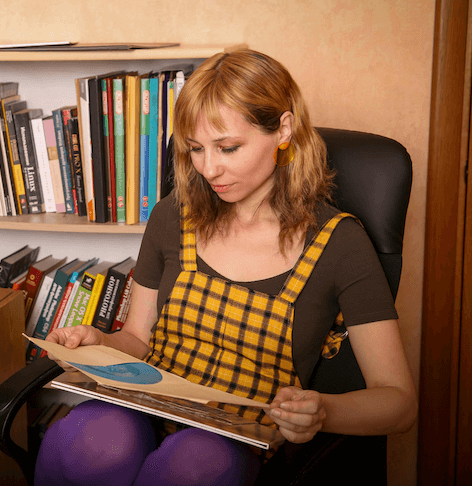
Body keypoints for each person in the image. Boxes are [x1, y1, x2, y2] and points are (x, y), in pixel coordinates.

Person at [36, 49, 417, 486]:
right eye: (196, 149)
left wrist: (323, 411)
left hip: (233, 438)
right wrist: (99, 342)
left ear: (283, 131)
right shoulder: (172, 216)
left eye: (228, 147)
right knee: (97, 441)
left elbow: (399, 403)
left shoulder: (340, 243)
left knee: (198, 463)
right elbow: (138, 339)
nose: (208, 168)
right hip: (147, 405)